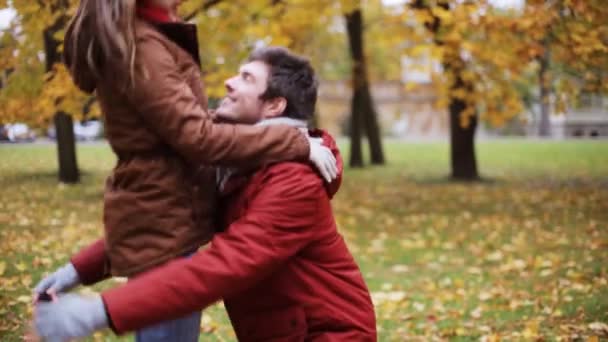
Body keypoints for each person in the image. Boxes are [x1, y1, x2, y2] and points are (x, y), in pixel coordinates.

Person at [31, 0, 337, 341]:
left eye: (246, 78)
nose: (228, 84)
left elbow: (218, 267)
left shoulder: (290, 180)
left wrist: (98, 311)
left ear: (275, 105)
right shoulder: (236, 169)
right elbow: (174, 214)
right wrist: (80, 269)